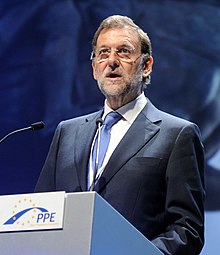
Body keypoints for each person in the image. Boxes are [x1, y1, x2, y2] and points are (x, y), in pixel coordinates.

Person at [35, 15, 205, 255]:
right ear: (94, 68)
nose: (112, 61)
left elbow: (187, 231)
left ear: (146, 66)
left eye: (124, 52)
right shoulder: (67, 132)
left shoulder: (177, 135)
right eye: (103, 53)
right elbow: (40, 212)